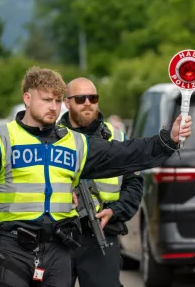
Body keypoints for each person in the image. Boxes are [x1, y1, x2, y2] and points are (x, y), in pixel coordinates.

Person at [0, 66, 192, 287]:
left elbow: (124, 154)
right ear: (27, 98)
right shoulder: (0, 139)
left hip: (59, 247)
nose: (53, 107)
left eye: (58, 101)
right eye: (46, 99)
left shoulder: (75, 143)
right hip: (13, 248)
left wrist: (167, 140)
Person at [59, 77, 142, 287]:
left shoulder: (116, 138)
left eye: (93, 98)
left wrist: (115, 211)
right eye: (80, 98)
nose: (88, 102)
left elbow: (133, 185)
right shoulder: (50, 137)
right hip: (57, 238)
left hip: (101, 234)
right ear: (67, 103)